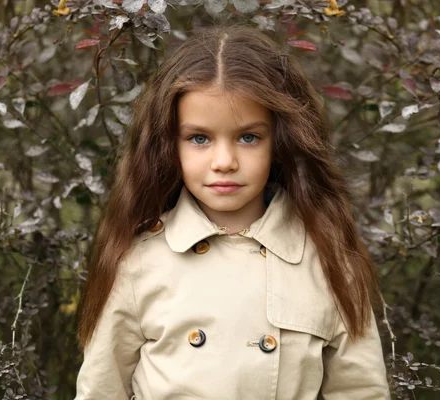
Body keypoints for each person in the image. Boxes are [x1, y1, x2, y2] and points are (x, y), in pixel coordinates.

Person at [74, 23, 390, 399]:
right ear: (167, 145)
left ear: (282, 141)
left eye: (248, 137)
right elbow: (99, 391)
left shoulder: (327, 257)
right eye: (199, 138)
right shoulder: (138, 260)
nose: (224, 162)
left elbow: (360, 391)